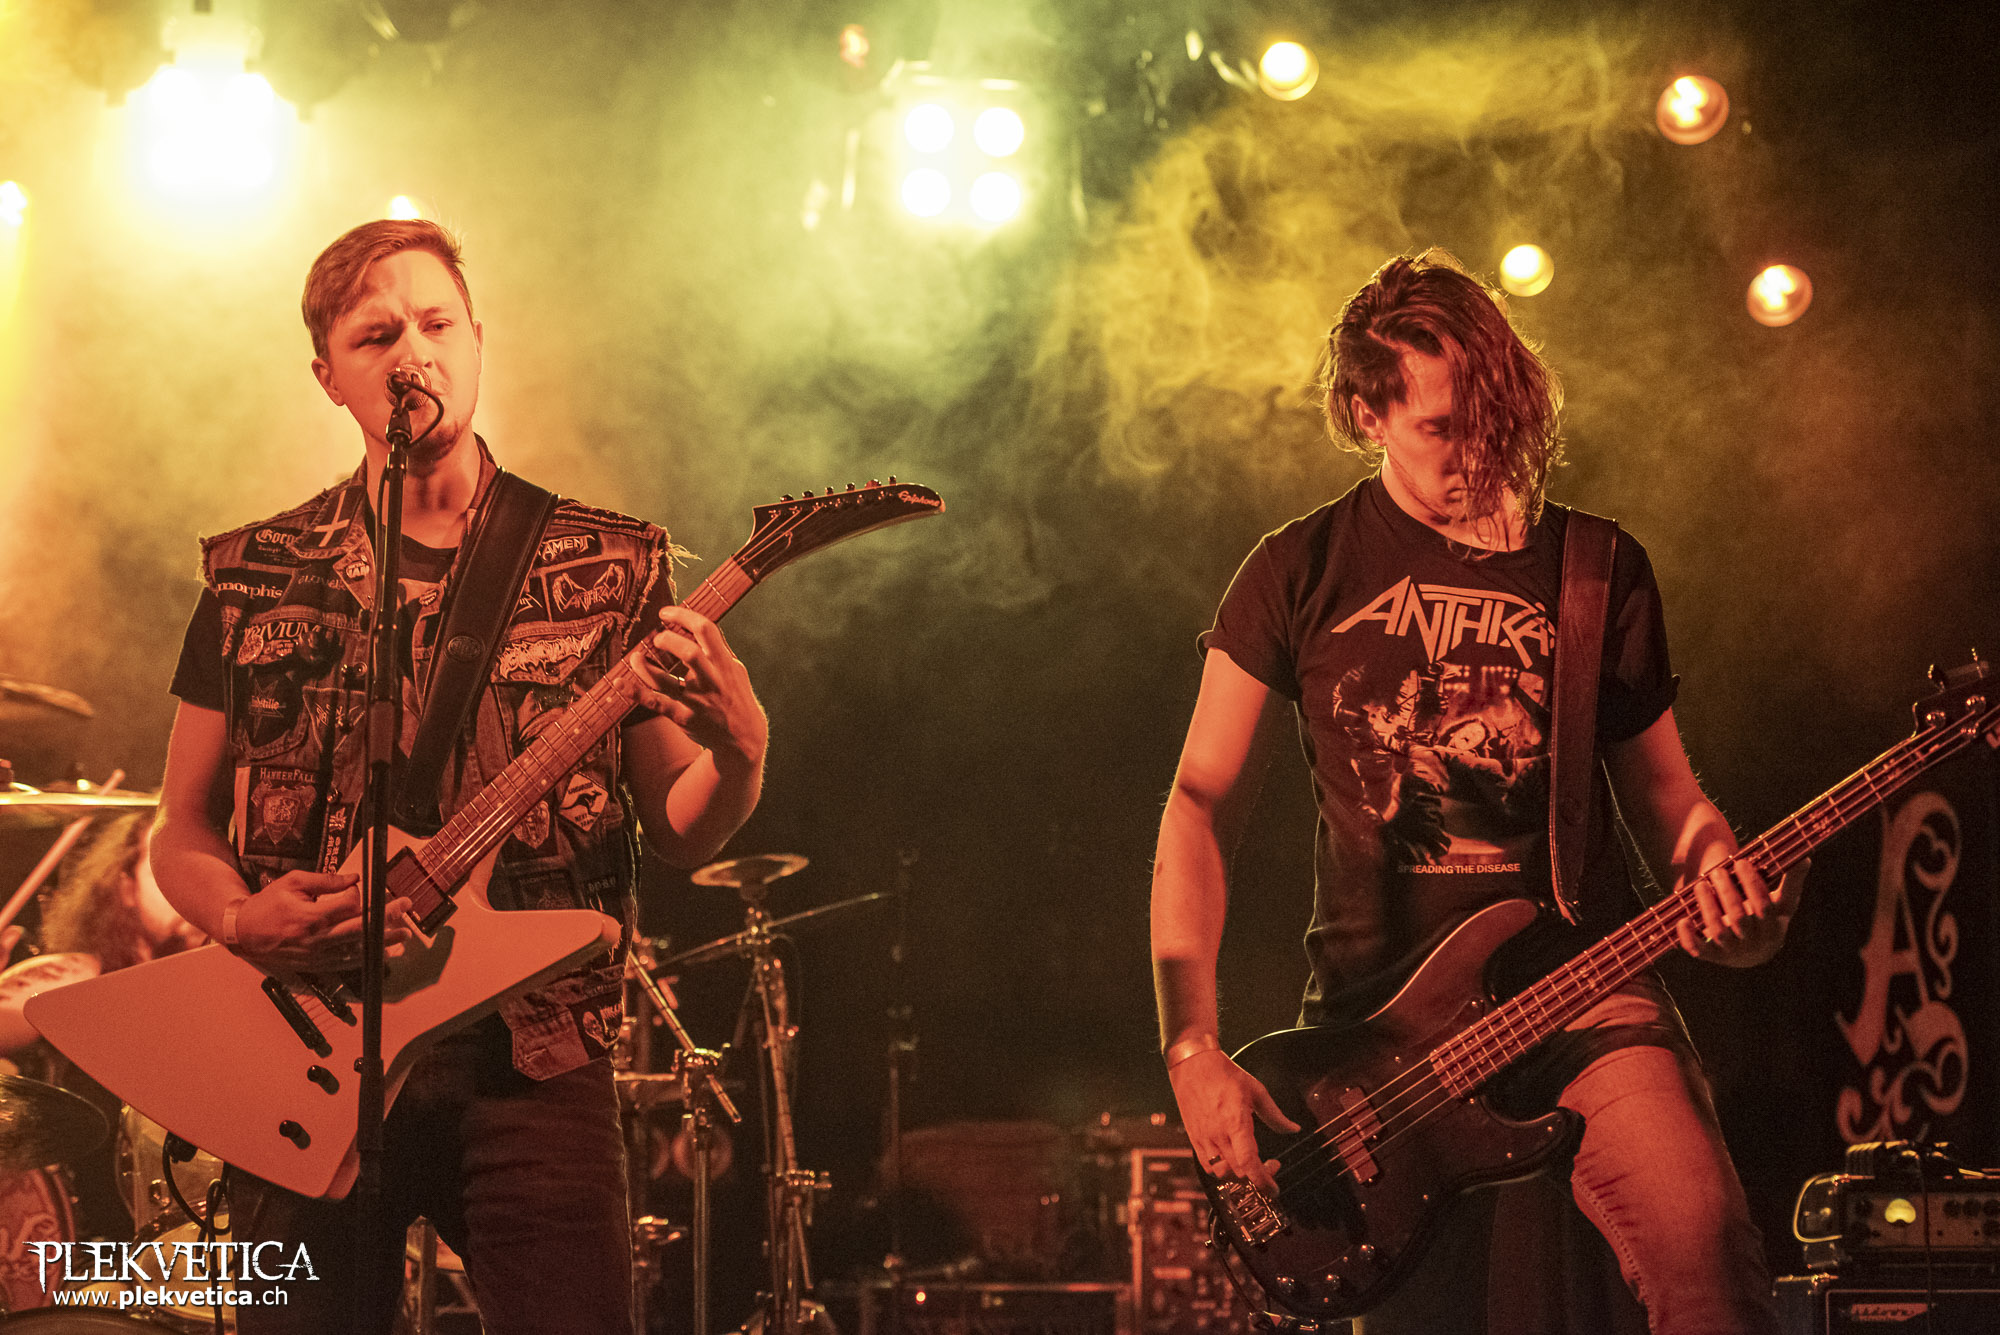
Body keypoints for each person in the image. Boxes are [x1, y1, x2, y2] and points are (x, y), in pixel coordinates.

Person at [1149, 250, 1805, 1335]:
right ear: (1366, 413)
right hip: (1376, 1048)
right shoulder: (1297, 568)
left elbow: (1669, 798)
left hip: (1582, 988)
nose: (1476, 454)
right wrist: (1190, 1048)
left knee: (1707, 1261)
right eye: (1440, 428)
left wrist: (1724, 882)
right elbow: (1198, 806)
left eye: (1493, 420)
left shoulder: (1595, 568)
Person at [151, 218, 768, 1334]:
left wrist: (742, 751)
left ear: (478, 340)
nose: (414, 355)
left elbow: (680, 827)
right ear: (329, 375)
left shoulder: (606, 565)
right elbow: (179, 828)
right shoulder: (254, 576)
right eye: (377, 336)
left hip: (533, 1062)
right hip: (309, 1054)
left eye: (437, 325)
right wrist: (241, 919)